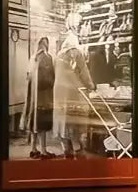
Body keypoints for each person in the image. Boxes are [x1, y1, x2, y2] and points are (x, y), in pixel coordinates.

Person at [52, 31, 96, 159]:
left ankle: (67, 150)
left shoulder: (58, 55)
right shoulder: (77, 54)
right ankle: (78, 150)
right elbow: (84, 73)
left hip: (58, 92)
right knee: (74, 121)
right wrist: (91, 86)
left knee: (62, 120)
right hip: (73, 92)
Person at [20, 37, 56, 159]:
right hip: (43, 97)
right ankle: (44, 151)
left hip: (32, 98)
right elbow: (49, 79)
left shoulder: (33, 57)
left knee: (33, 123)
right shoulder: (47, 58)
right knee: (42, 125)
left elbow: (28, 77)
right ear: (46, 44)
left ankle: (33, 149)